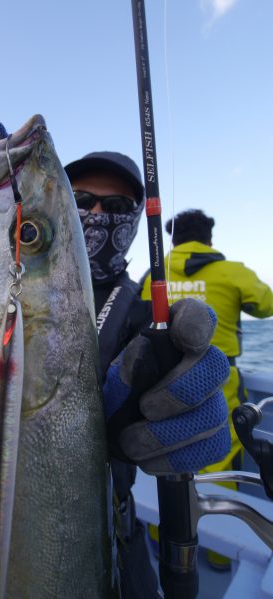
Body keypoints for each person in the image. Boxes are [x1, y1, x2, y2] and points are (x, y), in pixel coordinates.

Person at [0, 112, 231, 598]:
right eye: (81, 201)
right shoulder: (14, 274)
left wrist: (186, 402)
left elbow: (161, 373)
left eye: (118, 205)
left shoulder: (146, 320)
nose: (100, 215)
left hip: (106, 549)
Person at [141, 208, 273, 569]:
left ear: (173, 238)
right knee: (219, 455)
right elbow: (266, 305)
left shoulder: (155, 272)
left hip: (160, 383)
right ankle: (219, 555)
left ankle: (158, 539)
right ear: (209, 238)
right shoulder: (232, 271)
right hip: (218, 379)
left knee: (166, 456)